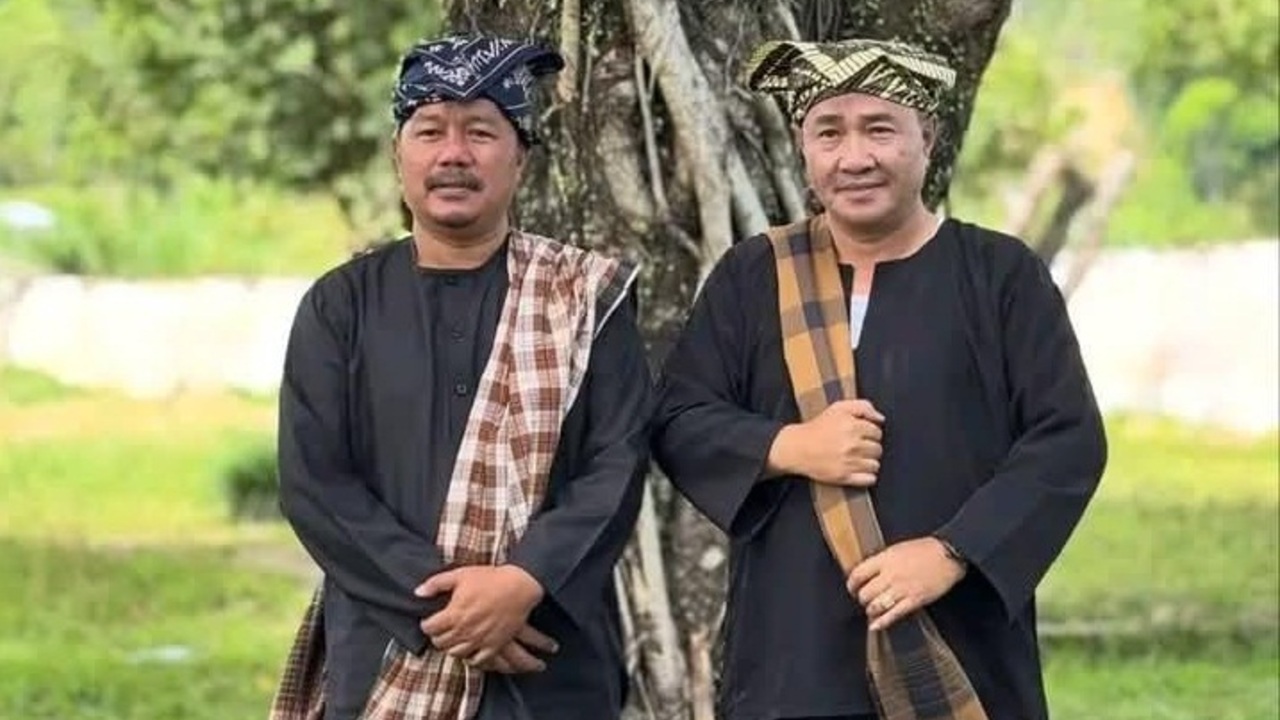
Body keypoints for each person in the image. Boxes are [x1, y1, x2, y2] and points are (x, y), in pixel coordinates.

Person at [651, 38, 1107, 720]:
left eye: (880, 129)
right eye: (829, 133)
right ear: (803, 149)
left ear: (927, 139)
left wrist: (953, 552)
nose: (854, 157)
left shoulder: (1000, 275)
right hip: (791, 658)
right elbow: (677, 418)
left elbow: (1067, 440)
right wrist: (790, 446)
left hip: (960, 642)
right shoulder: (753, 276)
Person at [268, 34, 651, 720]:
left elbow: (616, 464)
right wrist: (446, 604)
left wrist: (523, 582)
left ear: (521, 158)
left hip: (549, 655)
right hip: (387, 649)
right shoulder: (340, 305)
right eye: (430, 131)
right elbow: (315, 481)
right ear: (398, 156)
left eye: (480, 131)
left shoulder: (583, 298)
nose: (453, 154)